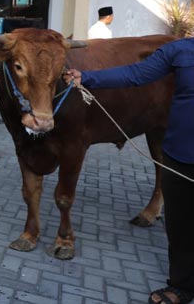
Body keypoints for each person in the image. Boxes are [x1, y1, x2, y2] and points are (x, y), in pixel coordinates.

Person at [65, 37, 194, 304]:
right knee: (180, 224)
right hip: (181, 154)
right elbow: (136, 74)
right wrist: (86, 77)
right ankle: (183, 286)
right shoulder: (181, 50)